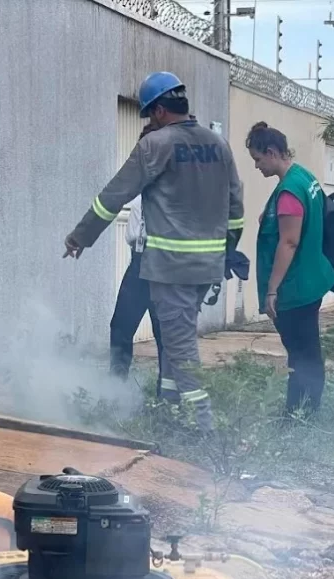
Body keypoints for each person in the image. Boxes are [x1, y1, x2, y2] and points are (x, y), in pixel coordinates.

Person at [64, 72, 244, 431]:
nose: (149, 121)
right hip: (205, 268)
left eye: (149, 114)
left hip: (169, 268)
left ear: (160, 110)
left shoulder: (156, 144)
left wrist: (80, 235)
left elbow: (114, 196)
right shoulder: (219, 144)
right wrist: (224, 255)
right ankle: (169, 411)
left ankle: (203, 428)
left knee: (181, 351)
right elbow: (235, 209)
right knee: (176, 344)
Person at [245, 121, 334, 415]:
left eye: (258, 159)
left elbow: (289, 242)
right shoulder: (304, 177)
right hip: (311, 281)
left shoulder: (288, 191)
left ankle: (299, 415)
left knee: (301, 357)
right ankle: (307, 411)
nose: (257, 166)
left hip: (295, 290)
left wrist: (272, 291)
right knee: (309, 352)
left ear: (272, 152)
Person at [109, 123, 164, 393]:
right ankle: (115, 392)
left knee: (166, 338)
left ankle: (169, 401)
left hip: (163, 269)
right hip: (138, 262)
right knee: (120, 327)